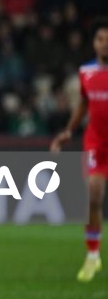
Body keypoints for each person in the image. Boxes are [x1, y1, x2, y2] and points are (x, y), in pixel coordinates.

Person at [50, 17, 108, 282]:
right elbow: (84, 104)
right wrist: (69, 131)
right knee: (93, 196)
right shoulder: (87, 73)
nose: (104, 45)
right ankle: (93, 255)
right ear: (94, 43)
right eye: (100, 39)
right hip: (96, 141)